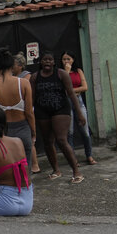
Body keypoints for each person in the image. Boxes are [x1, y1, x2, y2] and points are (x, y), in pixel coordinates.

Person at [31, 52, 85, 183]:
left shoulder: (61, 74)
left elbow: (71, 94)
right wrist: (30, 115)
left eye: (50, 60)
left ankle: (76, 172)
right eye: (45, 60)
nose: (48, 62)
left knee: (61, 140)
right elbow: (31, 98)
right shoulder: (34, 77)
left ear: (54, 62)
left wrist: (79, 113)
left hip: (60, 109)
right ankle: (56, 170)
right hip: (42, 110)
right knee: (47, 142)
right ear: (41, 62)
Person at [0, 48, 37, 177]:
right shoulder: (24, 84)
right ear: (12, 66)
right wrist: (33, 132)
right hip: (23, 129)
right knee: (25, 172)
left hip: (3, 134)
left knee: (6, 173)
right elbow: (29, 112)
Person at [62, 51, 97, 165]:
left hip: (79, 101)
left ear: (73, 60)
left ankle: (89, 155)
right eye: (64, 59)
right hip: (66, 103)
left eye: (68, 59)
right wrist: (66, 72)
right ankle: (73, 159)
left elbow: (85, 87)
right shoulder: (61, 73)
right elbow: (62, 89)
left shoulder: (78, 71)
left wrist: (70, 91)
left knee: (85, 130)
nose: (66, 61)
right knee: (70, 132)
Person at [11, 52, 41, 173]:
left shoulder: (26, 76)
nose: (11, 67)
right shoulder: (13, 77)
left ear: (20, 66)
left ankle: (35, 164)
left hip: (26, 108)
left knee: (29, 140)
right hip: (18, 109)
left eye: (13, 65)